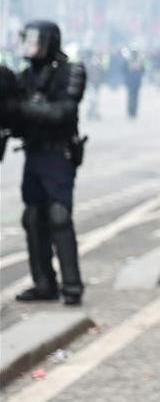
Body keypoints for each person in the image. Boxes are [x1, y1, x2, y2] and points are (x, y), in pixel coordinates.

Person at [11, 20, 88, 305]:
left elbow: (63, 112)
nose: (30, 46)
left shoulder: (71, 72)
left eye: (36, 40)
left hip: (59, 155)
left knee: (58, 215)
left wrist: (23, 109)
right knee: (33, 217)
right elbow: (15, 116)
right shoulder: (24, 76)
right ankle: (43, 283)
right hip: (33, 153)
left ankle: (72, 286)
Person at [122, 48, 144, 120]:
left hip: (136, 82)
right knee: (131, 97)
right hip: (131, 82)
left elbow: (143, 70)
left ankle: (133, 112)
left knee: (134, 98)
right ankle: (131, 112)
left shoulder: (139, 61)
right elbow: (124, 70)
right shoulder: (128, 61)